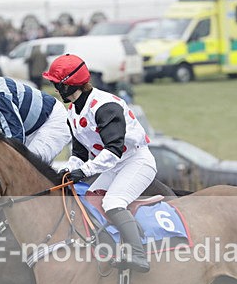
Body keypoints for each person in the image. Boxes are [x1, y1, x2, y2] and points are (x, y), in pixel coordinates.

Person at [42, 54, 156, 272]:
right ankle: (106, 249)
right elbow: (79, 154)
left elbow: (113, 150)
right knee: (89, 202)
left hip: (136, 162)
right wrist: (67, 171)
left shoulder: (105, 106)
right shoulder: (72, 112)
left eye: (57, 84)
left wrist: (83, 172)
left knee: (113, 203)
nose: (55, 89)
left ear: (69, 85)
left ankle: (139, 255)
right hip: (114, 166)